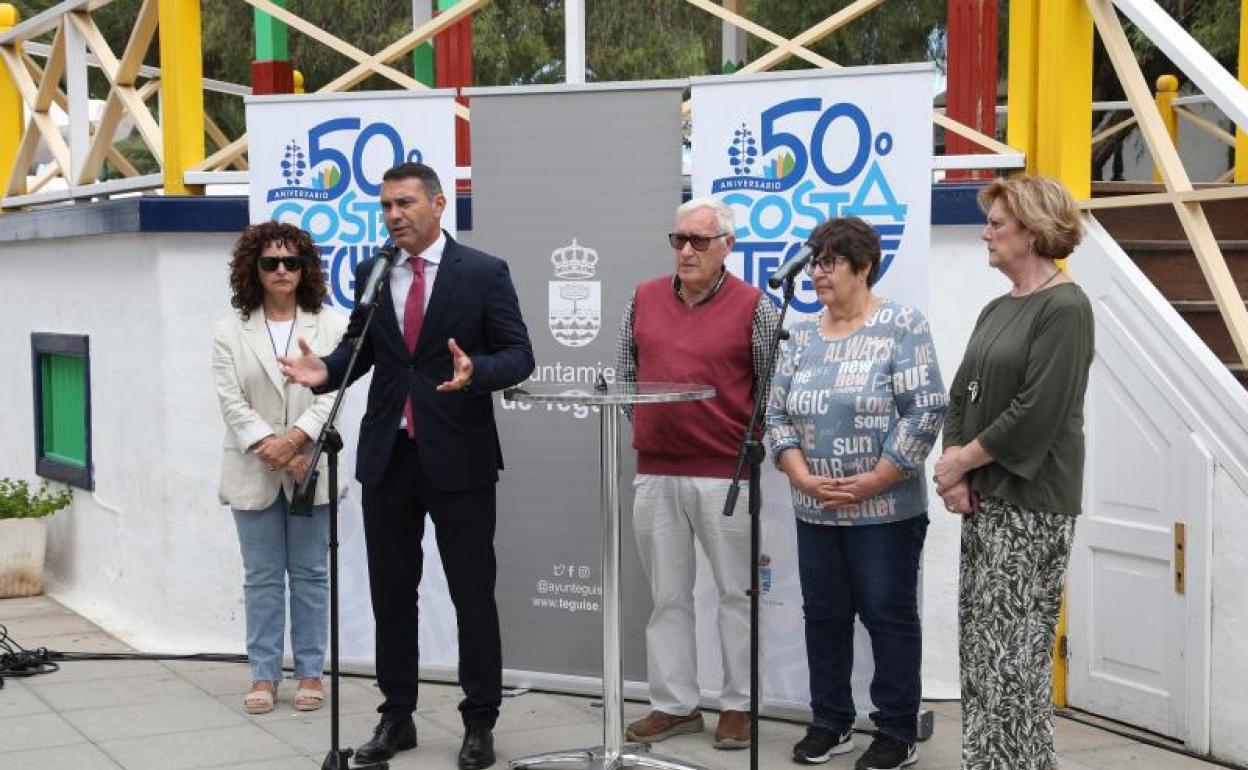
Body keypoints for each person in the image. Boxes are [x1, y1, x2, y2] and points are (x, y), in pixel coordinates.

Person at [278, 162, 534, 770]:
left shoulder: (484, 272)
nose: (394, 215)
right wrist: (325, 371)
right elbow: (360, 350)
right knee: (392, 595)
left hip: (460, 456)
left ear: (439, 205)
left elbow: (520, 354)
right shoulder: (374, 270)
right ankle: (397, 715)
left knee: (473, 595)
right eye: (386, 206)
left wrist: (477, 371)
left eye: (405, 203)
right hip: (388, 456)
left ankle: (479, 721)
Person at [767, 217, 946, 770]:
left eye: (829, 263)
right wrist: (800, 475)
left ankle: (896, 730)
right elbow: (775, 415)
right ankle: (830, 721)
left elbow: (925, 409)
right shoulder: (799, 334)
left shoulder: (902, 325)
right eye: (813, 263)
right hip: (814, 509)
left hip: (886, 511)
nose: (817, 274)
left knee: (888, 618)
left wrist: (878, 478)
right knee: (823, 615)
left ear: (863, 267)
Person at [934, 175, 1092, 770]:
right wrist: (955, 471)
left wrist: (961, 460)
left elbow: (1037, 411)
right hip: (986, 497)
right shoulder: (997, 307)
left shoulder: (1066, 308)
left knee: (1013, 657)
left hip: (1032, 503)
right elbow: (962, 394)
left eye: (996, 224)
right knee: (982, 652)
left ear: (1032, 231)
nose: (986, 234)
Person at [616, 197, 779, 751]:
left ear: (727, 245)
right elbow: (625, 374)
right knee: (667, 595)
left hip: (726, 474)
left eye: (699, 241)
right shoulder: (642, 298)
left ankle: (738, 706)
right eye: (679, 239)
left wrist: (744, 443)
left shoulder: (755, 306)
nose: (686, 250)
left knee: (736, 593)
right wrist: (652, 428)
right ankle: (675, 705)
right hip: (656, 470)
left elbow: (771, 385)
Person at [213, 221, 348, 715]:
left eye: (291, 261)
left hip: (311, 465)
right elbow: (231, 402)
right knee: (262, 578)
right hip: (254, 469)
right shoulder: (229, 331)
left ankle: (310, 672)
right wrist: (276, 449)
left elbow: (333, 394)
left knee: (311, 575)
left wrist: (295, 442)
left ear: (305, 267)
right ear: (254, 268)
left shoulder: (331, 325)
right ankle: (264, 674)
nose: (281, 270)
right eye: (271, 262)